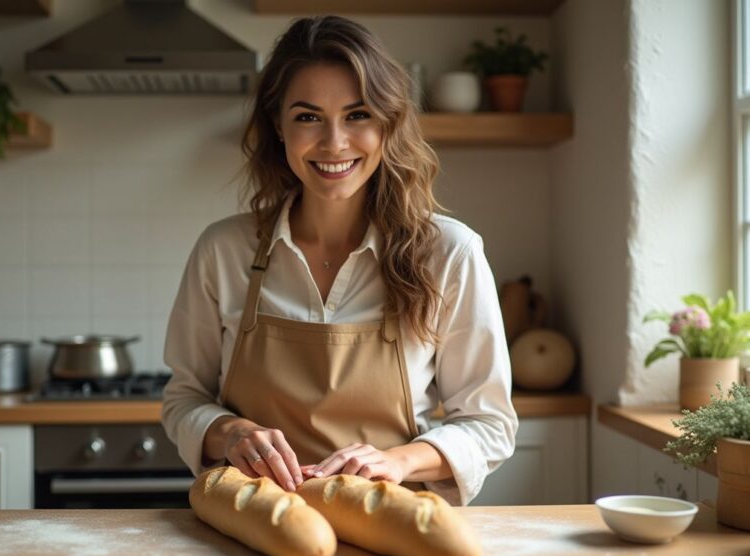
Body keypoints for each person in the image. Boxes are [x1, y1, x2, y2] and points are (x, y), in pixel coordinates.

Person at [161, 15, 517, 506]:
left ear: (388, 125)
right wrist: (229, 432)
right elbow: (183, 400)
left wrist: (400, 460)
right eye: (308, 117)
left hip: (391, 523)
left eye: (358, 115)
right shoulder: (223, 250)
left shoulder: (449, 253)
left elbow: (489, 424)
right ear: (278, 127)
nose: (334, 143)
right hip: (251, 524)